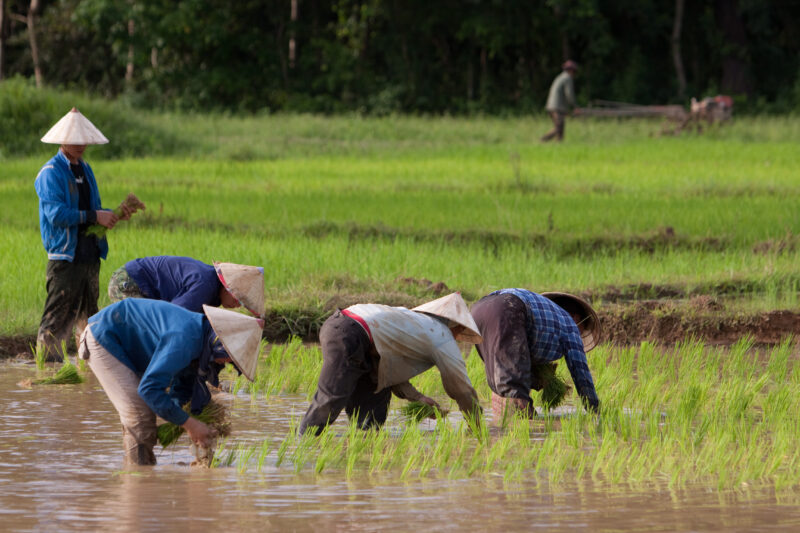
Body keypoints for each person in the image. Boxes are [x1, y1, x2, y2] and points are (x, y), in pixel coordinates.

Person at [78, 299, 262, 465]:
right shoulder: (185, 339)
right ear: (220, 345)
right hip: (104, 337)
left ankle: (142, 469)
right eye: (230, 358)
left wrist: (184, 417)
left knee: (142, 415)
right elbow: (149, 389)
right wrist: (191, 425)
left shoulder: (201, 340)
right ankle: (138, 481)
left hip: (122, 340)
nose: (226, 363)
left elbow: (182, 386)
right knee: (140, 417)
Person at [299, 293, 483, 435]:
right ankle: (300, 447)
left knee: (372, 409)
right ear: (457, 326)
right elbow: (461, 388)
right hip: (351, 333)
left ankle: (363, 452)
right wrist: (476, 425)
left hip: (345, 329)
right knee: (332, 398)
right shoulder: (441, 335)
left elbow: (389, 370)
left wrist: (418, 398)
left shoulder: (411, 321)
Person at [34, 107, 134, 361]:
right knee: (56, 320)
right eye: (75, 140)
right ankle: (46, 371)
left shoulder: (86, 170)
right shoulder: (50, 173)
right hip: (65, 258)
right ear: (63, 140)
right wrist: (93, 216)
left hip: (90, 256)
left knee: (89, 320)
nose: (81, 145)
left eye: (83, 141)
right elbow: (56, 215)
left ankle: (87, 373)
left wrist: (115, 214)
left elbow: (94, 211)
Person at [470, 289, 601, 419]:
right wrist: (595, 409)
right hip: (508, 309)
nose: (579, 335)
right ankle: (519, 430)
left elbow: (516, 361)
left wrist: (544, 377)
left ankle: (500, 429)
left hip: (478, 310)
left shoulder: (546, 317)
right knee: (517, 397)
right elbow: (581, 374)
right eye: (582, 329)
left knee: (500, 383)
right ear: (576, 318)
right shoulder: (571, 325)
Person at [108, 256, 265, 317]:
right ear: (227, 286)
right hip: (128, 283)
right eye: (238, 298)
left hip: (146, 289)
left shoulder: (213, 291)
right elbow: (173, 316)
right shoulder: (205, 286)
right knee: (145, 327)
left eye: (242, 303)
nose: (237, 305)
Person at [541, 60, 578, 142]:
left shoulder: (561, 76)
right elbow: (569, 94)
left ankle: (559, 145)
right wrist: (575, 106)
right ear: (571, 70)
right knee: (559, 128)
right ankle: (542, 140)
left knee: (561, 128)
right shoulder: (567, 78)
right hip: (556, 107)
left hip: (552, 105)